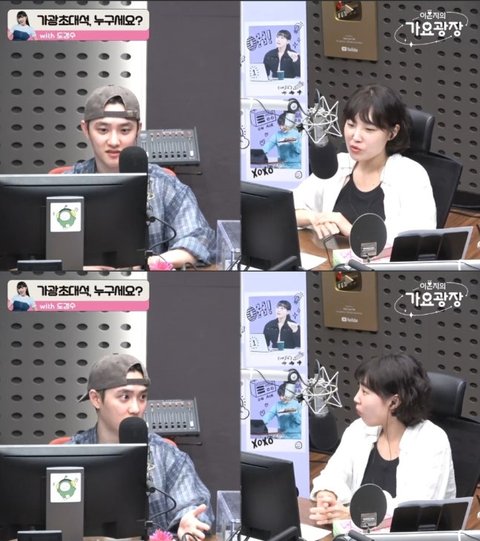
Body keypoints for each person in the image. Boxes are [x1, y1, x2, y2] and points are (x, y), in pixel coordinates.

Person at [71, 84, 216, 269]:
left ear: (138, 130)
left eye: (125, 130)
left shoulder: (165, 185)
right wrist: (78, 269)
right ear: (86, 129)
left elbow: (198, 239)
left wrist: (151, 262)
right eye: (103, 130)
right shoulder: (66, 185)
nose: (114, 141)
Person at [70, 353, 213, 539]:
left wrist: (188, 522)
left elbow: (194, 505)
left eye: (142, 397)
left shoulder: (167, 455)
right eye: (125, 397)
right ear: (96, 399)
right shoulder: (71, 455)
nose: (136, 408)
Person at [309, 353, 456, 526]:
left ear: (394, 402)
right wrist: (327, 494)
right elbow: (333, 474)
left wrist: (353, 514)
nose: (356, 398)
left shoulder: (431, 441)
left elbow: (412, 511)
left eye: (365, 392)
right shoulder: (359, 429)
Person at [294, 84, 437, 245]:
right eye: (351, 125)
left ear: (392, 133)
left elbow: (415, 241)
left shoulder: (410, 175)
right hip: (327, 258)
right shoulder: (338, 164)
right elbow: (288, 210)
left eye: (369, 129)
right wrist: (313, 217)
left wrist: (349, 229)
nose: (355, 137)